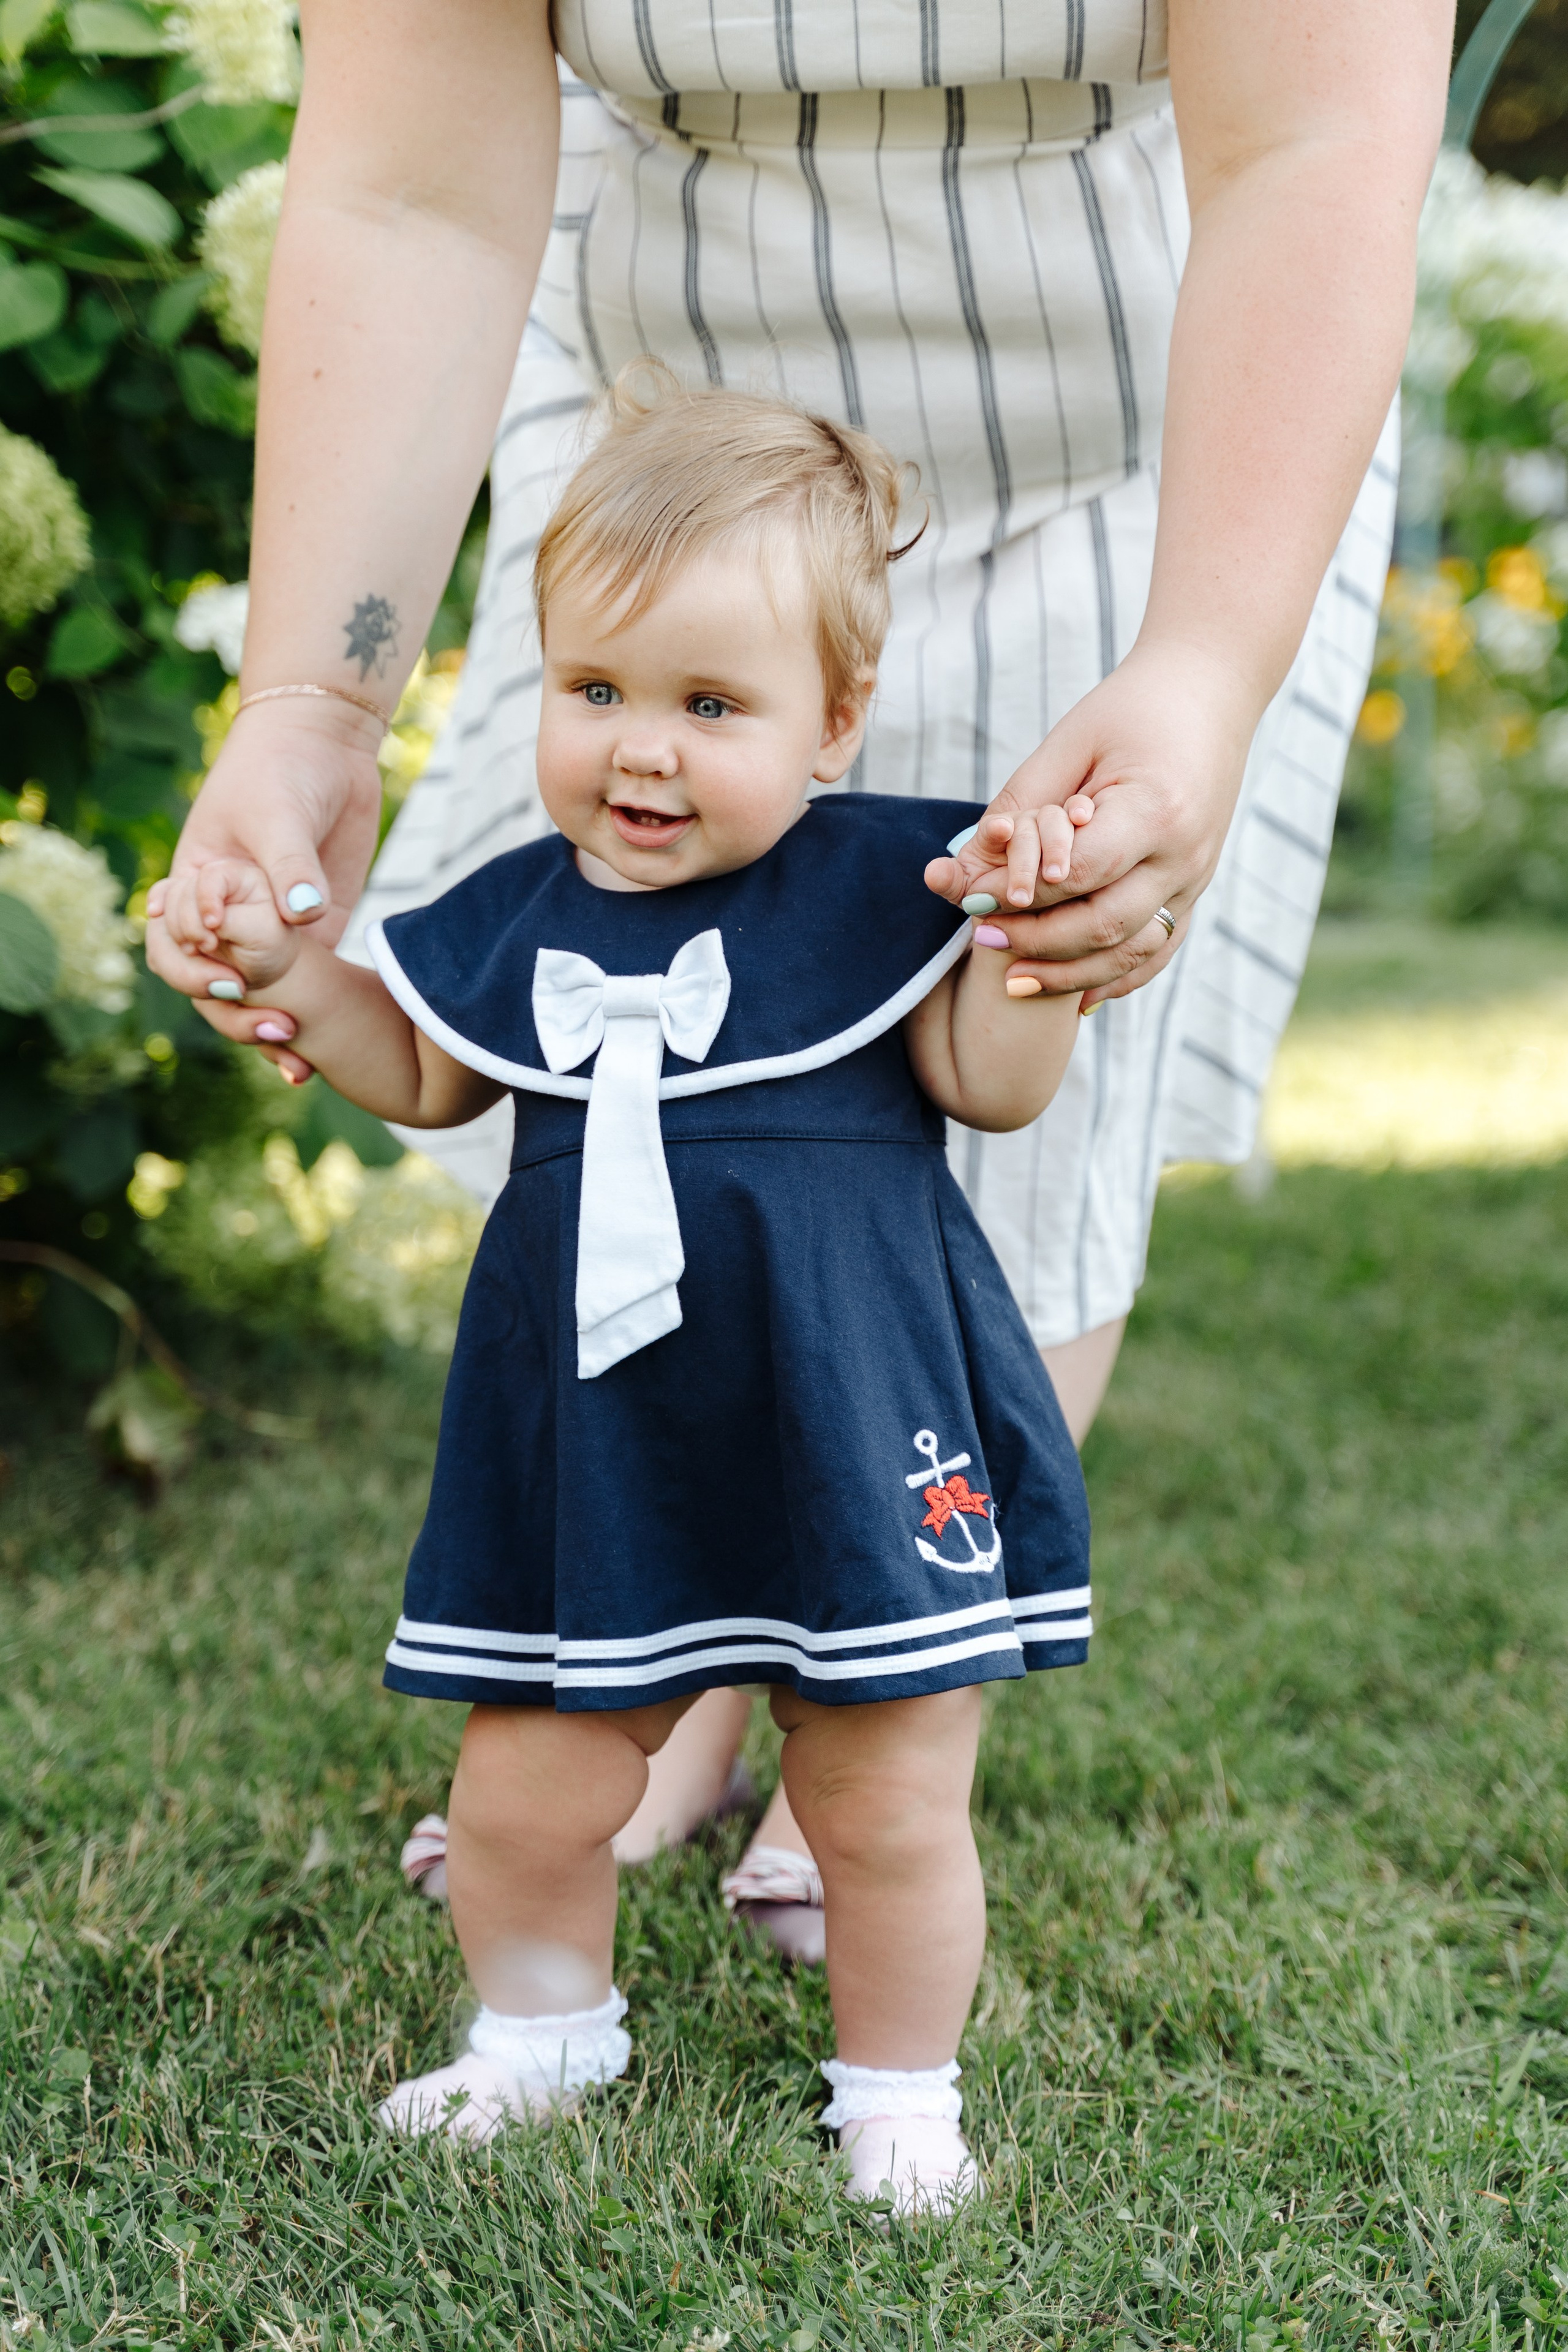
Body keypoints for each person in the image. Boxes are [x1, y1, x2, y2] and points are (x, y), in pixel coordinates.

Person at [146, 1, 1451, 1947]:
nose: (637, 758)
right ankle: (655, 1667)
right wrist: (312, 707)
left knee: (1004, 1190)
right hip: (656, 459)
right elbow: (411, 191)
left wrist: (1182, 692)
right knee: (633, 1129)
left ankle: (883, 1718)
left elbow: (1315, 148)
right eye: (596, 709)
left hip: (1152, 434)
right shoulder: (618, 752)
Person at [149, 383, 1101, 2211]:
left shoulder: (888, 890)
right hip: (599, 1425)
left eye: (710, 706)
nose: (640, 752)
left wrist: (1029, 949)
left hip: (847, 1401)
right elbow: (425, 1071)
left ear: (836, 722)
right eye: (594, 689)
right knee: (526, 1784)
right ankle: (542, 2032)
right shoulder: (524, 913)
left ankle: (901, 2092)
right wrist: (287, 971)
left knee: (885, 1796)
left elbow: (992, 1085)